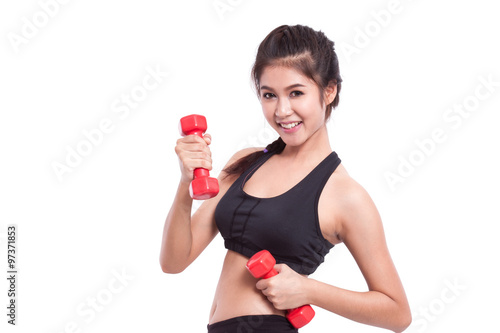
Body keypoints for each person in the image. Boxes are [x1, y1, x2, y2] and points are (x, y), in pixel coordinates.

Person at [160, 24, 411, 332]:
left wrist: (310, 290)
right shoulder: (245, 162)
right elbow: (174, 262)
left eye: (296, 93)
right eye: (269, 95)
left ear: (328, 90)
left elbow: (398, 313)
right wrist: (186, 183)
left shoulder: (345, 196)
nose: (282, 110)